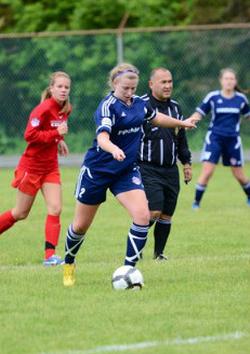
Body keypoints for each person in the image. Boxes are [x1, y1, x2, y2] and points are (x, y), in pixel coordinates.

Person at [63, 62, 199, 287]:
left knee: (143, 216)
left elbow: (156, 118)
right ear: (115, 83)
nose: (129, 93)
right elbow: (102, 138)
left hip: (125, 171)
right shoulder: (108, 106)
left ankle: (129, 270)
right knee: (80, 226)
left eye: (133, 89)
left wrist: (181, 123)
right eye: (125, 88)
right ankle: (69, 264)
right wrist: (113, 148)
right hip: (97, 171)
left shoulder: (138, 104)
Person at [0, 71, 71, 266]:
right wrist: (55, 133)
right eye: (60, 86)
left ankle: (50, 256)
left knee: (55, 208)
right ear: (51, 89)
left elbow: (55, 131)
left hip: (50, 168)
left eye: (66, 87)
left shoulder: (66, 109)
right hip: (31, 168)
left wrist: (59, 140)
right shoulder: (43, 109)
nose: (63, 90)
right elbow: (30, 136)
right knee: (20, 213)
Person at [138, 68, 192, 261]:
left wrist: (186, 163)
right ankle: (136, 246)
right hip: (147, 168)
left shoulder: (176, 107)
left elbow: (181, 138)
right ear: (152, 84)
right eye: (163, 82)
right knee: (153, 211)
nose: (168, 86)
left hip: (170, 169)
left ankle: (158, 254)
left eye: (170, 81)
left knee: (166, 215)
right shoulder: (141, 105)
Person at [190, 68, 250, 209]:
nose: (229, 81)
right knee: (207, 172)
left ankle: (249, 196)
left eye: (232, 79)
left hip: (233, 140)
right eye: (226, 78)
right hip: (215, 138)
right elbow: (199, 113)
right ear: (221, 81)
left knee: (239, 175)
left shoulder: (241, 99)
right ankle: (196, 204)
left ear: (235, 81)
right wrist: (191, 120)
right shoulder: (213, 97)